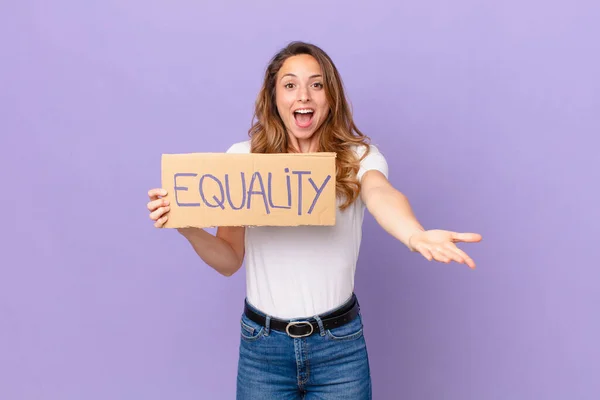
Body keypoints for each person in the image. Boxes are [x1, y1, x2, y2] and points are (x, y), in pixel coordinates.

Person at [146, 41, 482, 399]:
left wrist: (415, 235)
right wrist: (185, 225)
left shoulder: (358, 157)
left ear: (330, 96)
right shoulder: (244, 160)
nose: (303, 95)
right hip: (263, 349)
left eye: (316, 84)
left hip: (339, 348)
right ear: (274, 98)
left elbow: (380, 192)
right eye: (290, 85)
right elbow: (229, 259)